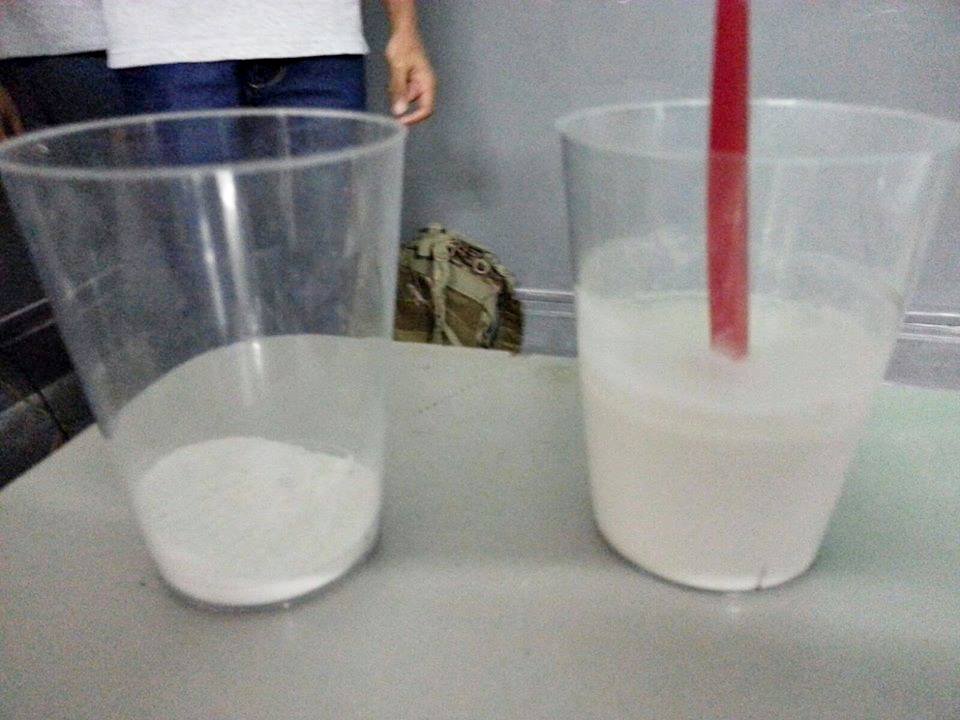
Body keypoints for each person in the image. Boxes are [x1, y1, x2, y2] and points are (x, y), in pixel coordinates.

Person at [100, 0, 436, 124]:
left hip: (319, 37)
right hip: (166, 42)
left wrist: (405, 29)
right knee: (194, 252)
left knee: (331, 248)